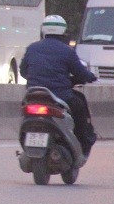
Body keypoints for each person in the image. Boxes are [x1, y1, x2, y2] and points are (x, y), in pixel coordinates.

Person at [19, 14, 98, 158]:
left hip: (33, 96)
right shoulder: (67, 51)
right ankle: (83, 142)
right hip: (61, 96)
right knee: (79, 108)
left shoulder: (32, 48)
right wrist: (90, 77)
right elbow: (80, 73)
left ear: (43, 30)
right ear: (63, 31)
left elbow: (24, 71)